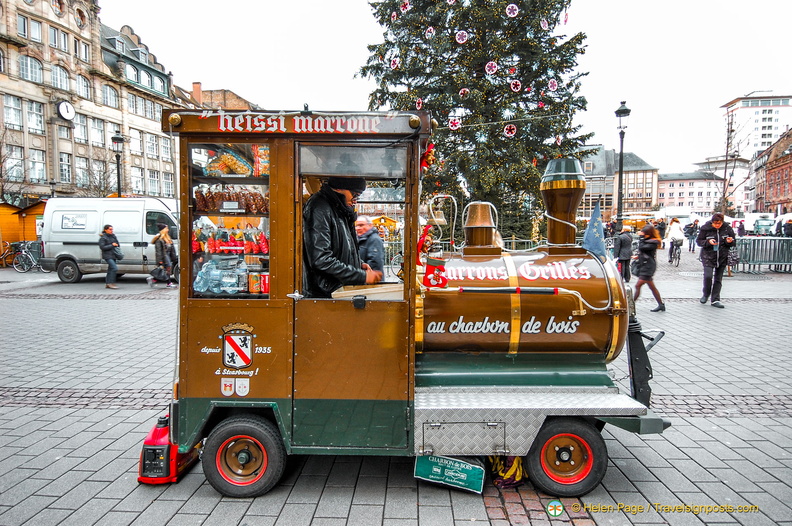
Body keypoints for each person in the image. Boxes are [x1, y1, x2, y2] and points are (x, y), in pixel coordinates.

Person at [303, 177, 382, 298]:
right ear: (339, 188)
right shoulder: (319, 207)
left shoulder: (339, 207)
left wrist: (358, 263)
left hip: (336, 290)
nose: (355, 200)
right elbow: (321, 259)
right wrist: (362, 275)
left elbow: (341, 248)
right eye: (354, 195)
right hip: (325, 294)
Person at [696, 212, 735, 308]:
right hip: (708, 256)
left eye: (719, 223)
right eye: (715, 223)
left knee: (718, 279)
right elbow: (699, 241)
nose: (717, 225)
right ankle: (706, 294)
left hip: (722, 256)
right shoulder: (705, 228)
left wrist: (729, 241)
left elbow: (733, 242)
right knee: (708, 276)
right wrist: (708, 242)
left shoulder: (727, 228)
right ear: (712, 222)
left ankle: (715, 299)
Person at [632, 224, 665, 312]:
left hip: (648, 266)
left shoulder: (653, 242)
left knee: (638, 285)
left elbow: (642, 248)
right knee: (652, 287)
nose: (643, 235)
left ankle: (631, 304)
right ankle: (661, 304)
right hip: (645, 265)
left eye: (645, 234)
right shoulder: (648, 241)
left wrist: (641, 238)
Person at [148, 223, 177, 288]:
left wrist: (173, 257)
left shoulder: (168, 238)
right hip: (164, 256)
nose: (168, 230)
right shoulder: (159, 240)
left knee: (165, 270)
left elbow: (172, 249)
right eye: (166, 228)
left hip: (168, 256)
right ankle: (169, 283)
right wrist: (160, 260)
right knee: (167, 269)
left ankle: (154, 279)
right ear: (163, 230)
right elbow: (158, 251)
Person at [98, 224, 120, 289]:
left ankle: (108, 283)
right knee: (114, 268)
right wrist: (112, 245)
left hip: (113, 254)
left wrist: (116, 245)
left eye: (112, 229)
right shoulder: (103, 238)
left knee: (110, 269)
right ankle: (111, 283)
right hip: (107, 255)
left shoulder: (113, 236)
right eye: (110, 229)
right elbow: (102, 247)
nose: (111, 231)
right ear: (106, 230)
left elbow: (118, 244)